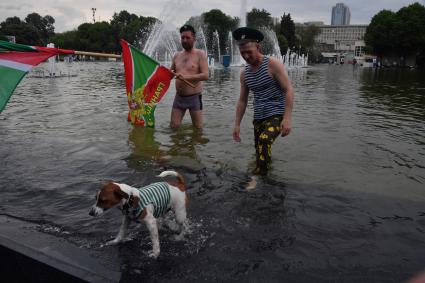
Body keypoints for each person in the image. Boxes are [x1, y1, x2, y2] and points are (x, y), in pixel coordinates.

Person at [232, 27, 294, 178]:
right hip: (259, 117)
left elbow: (289, 90)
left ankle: (258, 179)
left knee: (264, 141)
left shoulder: (273, 64)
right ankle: (268, 175)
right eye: (242, 53)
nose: (246, 56)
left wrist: (287, 118)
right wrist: (237, 124)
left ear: (258, 47)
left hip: (277, 114)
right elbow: (242, 100)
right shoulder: (244, 74)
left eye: (249, 52)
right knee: (260, 151)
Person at [170, 25, 209, 129]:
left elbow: (205, 75)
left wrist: (186, 77)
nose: (184, 40)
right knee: (173, 128)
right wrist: (160, 71)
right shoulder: (176, 55)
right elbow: (170, 74)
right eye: (182, 38)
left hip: (194, 98)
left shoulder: (200, 54)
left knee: (198, 130)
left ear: (194, 39)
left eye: (187, 38)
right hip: (179, 98)